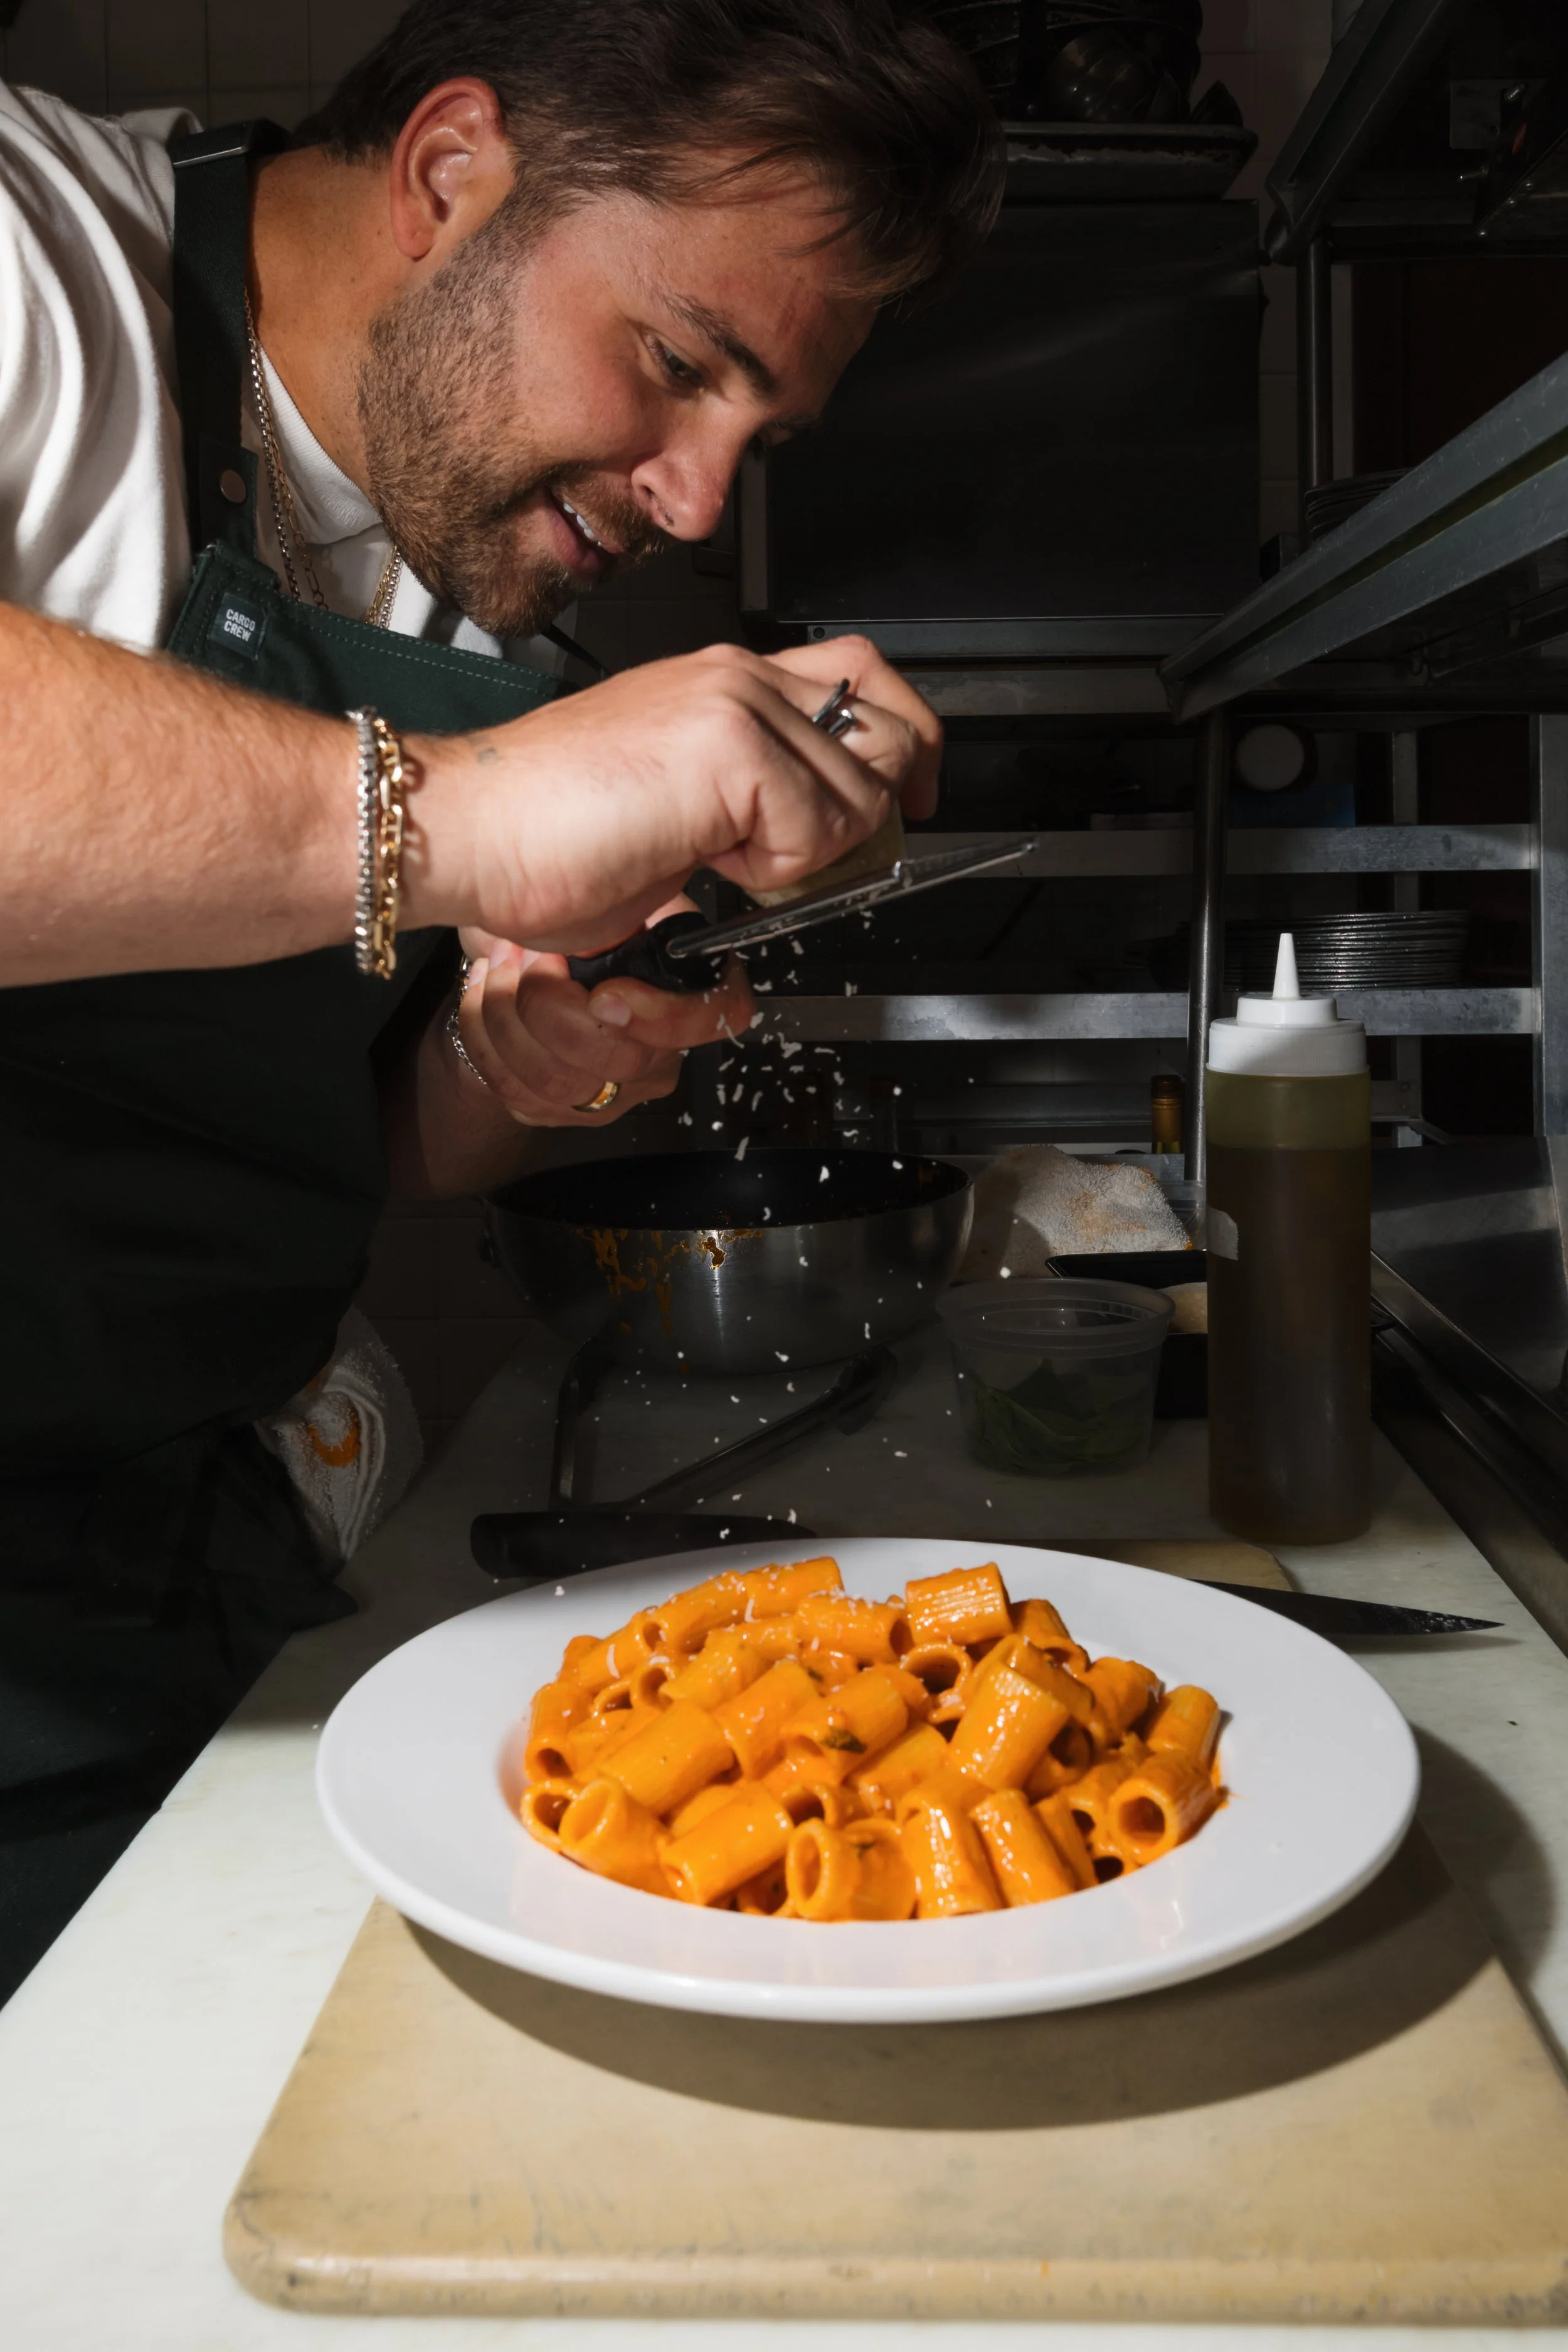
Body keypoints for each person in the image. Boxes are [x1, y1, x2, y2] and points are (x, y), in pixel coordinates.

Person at [0, 0, 1001, 1996]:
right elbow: (403, 830)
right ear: (449, 172)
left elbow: (328, 1144)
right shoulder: (31, 261)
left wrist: (502, 1064)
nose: (700, 501)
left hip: (182, 1583)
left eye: (757, 432)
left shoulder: (484, 590)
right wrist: (451, 813)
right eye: (676, 366)